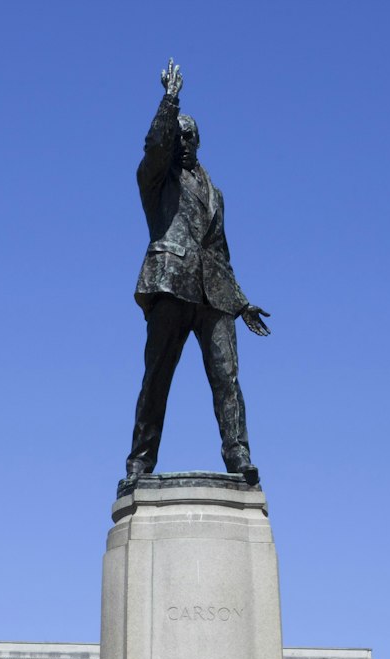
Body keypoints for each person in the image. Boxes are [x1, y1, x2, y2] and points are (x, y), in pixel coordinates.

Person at [126, 59, 271, 488]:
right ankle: (140, 460)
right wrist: (170, 101)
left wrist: (241, 302)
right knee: (157, 378)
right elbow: (154, 146)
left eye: (190, 136)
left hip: (214, 295)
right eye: (178, 137)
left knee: (228, 379)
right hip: (170, 284)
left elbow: (220, 252)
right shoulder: (156, 180)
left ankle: (238, 455)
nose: (183, 143)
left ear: (200, 141)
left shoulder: (215, 193)